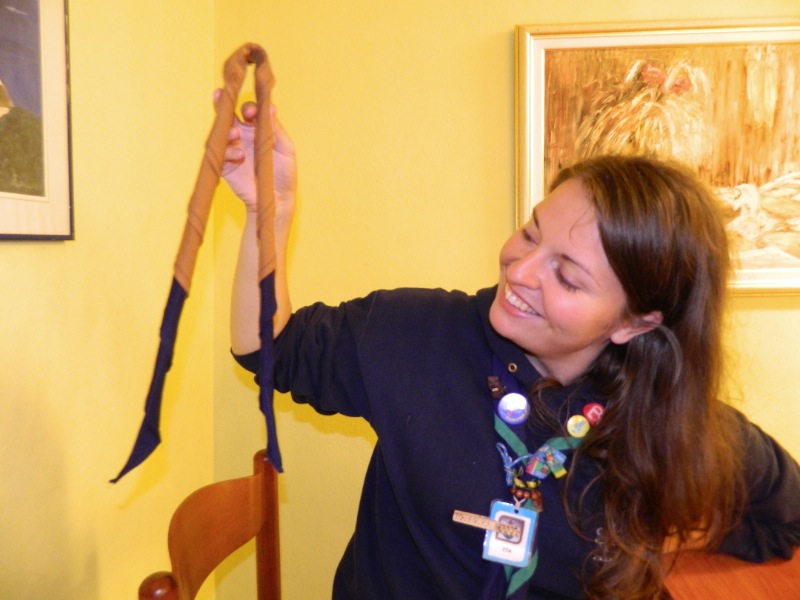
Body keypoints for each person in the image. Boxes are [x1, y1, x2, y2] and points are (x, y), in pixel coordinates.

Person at [221, 96, 800, 599]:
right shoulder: (416, 338)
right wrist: (268, 213)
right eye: (530, 233)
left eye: (567, 277)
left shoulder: (668, 421)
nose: (519, 271)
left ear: (634, 323)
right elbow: (268, 350)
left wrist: (659, 534)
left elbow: (784, 516)